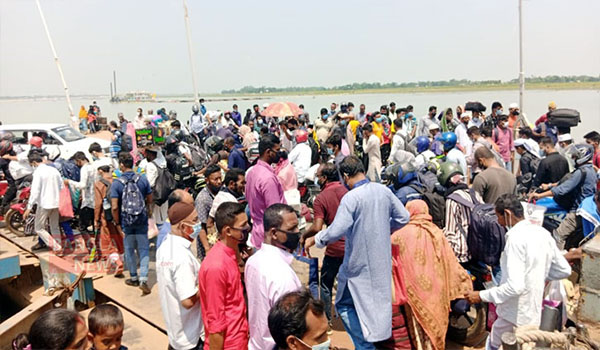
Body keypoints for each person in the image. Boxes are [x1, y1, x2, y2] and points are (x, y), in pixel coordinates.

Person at [304, 156, 410, 348]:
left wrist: (316, 239)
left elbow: (336, 230)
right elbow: (403, 217)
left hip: (357, 264)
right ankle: (376, 340)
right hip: (381, 261)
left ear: (345, 176)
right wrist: (383, 229)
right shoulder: (382, 190)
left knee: (344, 304)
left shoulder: (352, 197)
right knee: (377, 303)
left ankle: (365, 345)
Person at [464, 194, 571, 350]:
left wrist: (480, 295)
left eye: (498, 217)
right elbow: (564, 269)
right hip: (532, 310)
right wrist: (537, 277)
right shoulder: (543, 233)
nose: (498, 223)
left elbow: (515, 287)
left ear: (507, 214)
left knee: (496, 343)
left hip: (513, 313)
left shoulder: (515, 239)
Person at [391, 200, 472, 350]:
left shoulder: (398, 236)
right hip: (437, 291)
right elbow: (450, 262)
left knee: (418, 327)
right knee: (437, 326)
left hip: (414, 293)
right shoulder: (436, 232)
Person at [245, 204, 302, 350]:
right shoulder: (283, 276)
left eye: (297, 227)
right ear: (274, 233)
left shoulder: (252, 261)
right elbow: (291, 327)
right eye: (291, 229)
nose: (297, 233)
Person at [198, 202, 249, 350]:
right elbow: (216, 323)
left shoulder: (231, 254)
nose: (247, 229)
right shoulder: (216, 266)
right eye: (243, 225)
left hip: (239, 339)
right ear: (228, 231)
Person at [302, 163, 347, 326]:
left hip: (335, 248)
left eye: (319, 176)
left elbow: (317, 227)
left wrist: (305, 236)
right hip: (353, 246)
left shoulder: (321, 198)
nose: (317, 179)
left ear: (325, 178)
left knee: (326, 285)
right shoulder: (347, 191)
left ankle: (327, 320)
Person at [157, 201, 205, 350]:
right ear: (183, 227)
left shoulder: (166, 246)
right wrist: (205, 283)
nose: (199, 224)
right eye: (195, 220)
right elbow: (188, 301)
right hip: (191, 337)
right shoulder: (181, 257)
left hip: (177, 332)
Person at [530, 144, 597, 246]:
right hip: (588, 207)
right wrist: (549, 186)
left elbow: (562, 189)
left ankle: (558, 259)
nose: (573, 159)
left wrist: (539, 196)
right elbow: (566, 182)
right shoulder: (590, 170)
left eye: (575, 157)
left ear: (582, 156)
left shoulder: (581, 171)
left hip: (577, 211)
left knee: (558, 236)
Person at [110, 152, 153, 294]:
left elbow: (115, 206)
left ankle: (133, 277)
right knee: (143, 248)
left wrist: (117, 222)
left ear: (121, 165)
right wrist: (149, 213)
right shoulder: (142, 179)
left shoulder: (116, 183)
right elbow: (149, 199)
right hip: (141, 219)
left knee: (129, 249)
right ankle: (144, 279)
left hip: (126, 221)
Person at [245, 134, 286, 248]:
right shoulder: (267, 178)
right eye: (277, 150)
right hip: (269, 235)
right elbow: (275, 212)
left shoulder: (252, 172)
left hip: (258, 231)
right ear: (268, 152)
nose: (279, 153)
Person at [439, 161, 483, 263]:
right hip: (478, 248)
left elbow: (450, 231)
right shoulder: (474, 194)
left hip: (462, 252)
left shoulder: (452, 199)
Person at [25, 153, 63, 253]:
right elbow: (61, 186)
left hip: (44, 203)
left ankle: (56, 247)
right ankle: (59, 245)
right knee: (54, 226)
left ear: (33, 163)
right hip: (56, 202)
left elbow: (35, 191)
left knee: (39, 228)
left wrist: (29, 207)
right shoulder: (53, 170)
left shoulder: (38, 172)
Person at [94, 165, 124, 275]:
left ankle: (116, 261)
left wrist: (96, 219)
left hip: (106, 216)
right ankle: (122, 260)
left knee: (108, 240)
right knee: (119, 238)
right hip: (119, 214)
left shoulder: (99, 184)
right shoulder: (117, 181)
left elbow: (98, 204)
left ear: (101, 171)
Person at [66, 152, 96, 246]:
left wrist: (70, 182)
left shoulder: (84, 169)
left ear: (79, 161)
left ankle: (90, 247)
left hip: (88, 201)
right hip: (96, 200)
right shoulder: (93, 167)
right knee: (96, 226)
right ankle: (98, 248)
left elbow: (82, 185)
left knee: (82, 227)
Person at [194, 165, 222, 260]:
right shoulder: (202, 199)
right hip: (209, 245)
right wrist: (207, 249)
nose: (219, 182)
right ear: (207, 180)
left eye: (220, 178)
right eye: (215, 179)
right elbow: (200, 226)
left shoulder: (220, 193)